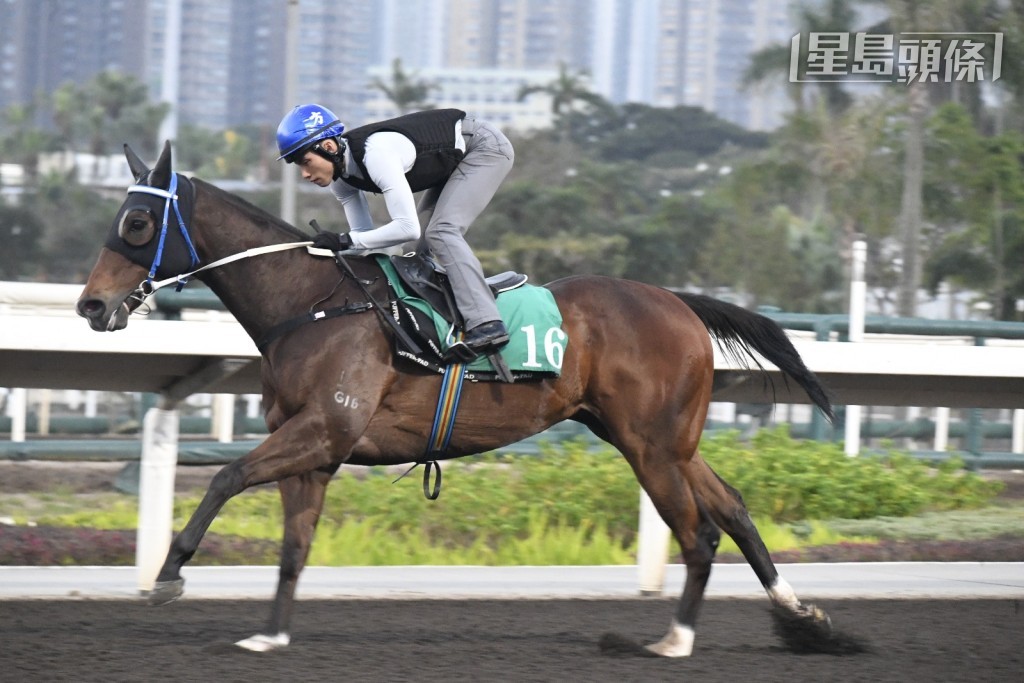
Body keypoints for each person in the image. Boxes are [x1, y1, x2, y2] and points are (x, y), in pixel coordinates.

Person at [276, 104, 514, 354]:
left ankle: (487, 323)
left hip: (483, 148)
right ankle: (447, 319)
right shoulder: (341, 180)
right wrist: (325, 253)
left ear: (328, 147)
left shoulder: (376, 154)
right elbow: (362, 238)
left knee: (441, 232)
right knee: (413, 252)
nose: (304, 174)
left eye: (306, 162)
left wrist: (344, 241)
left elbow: (406, 227)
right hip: (451, 161)